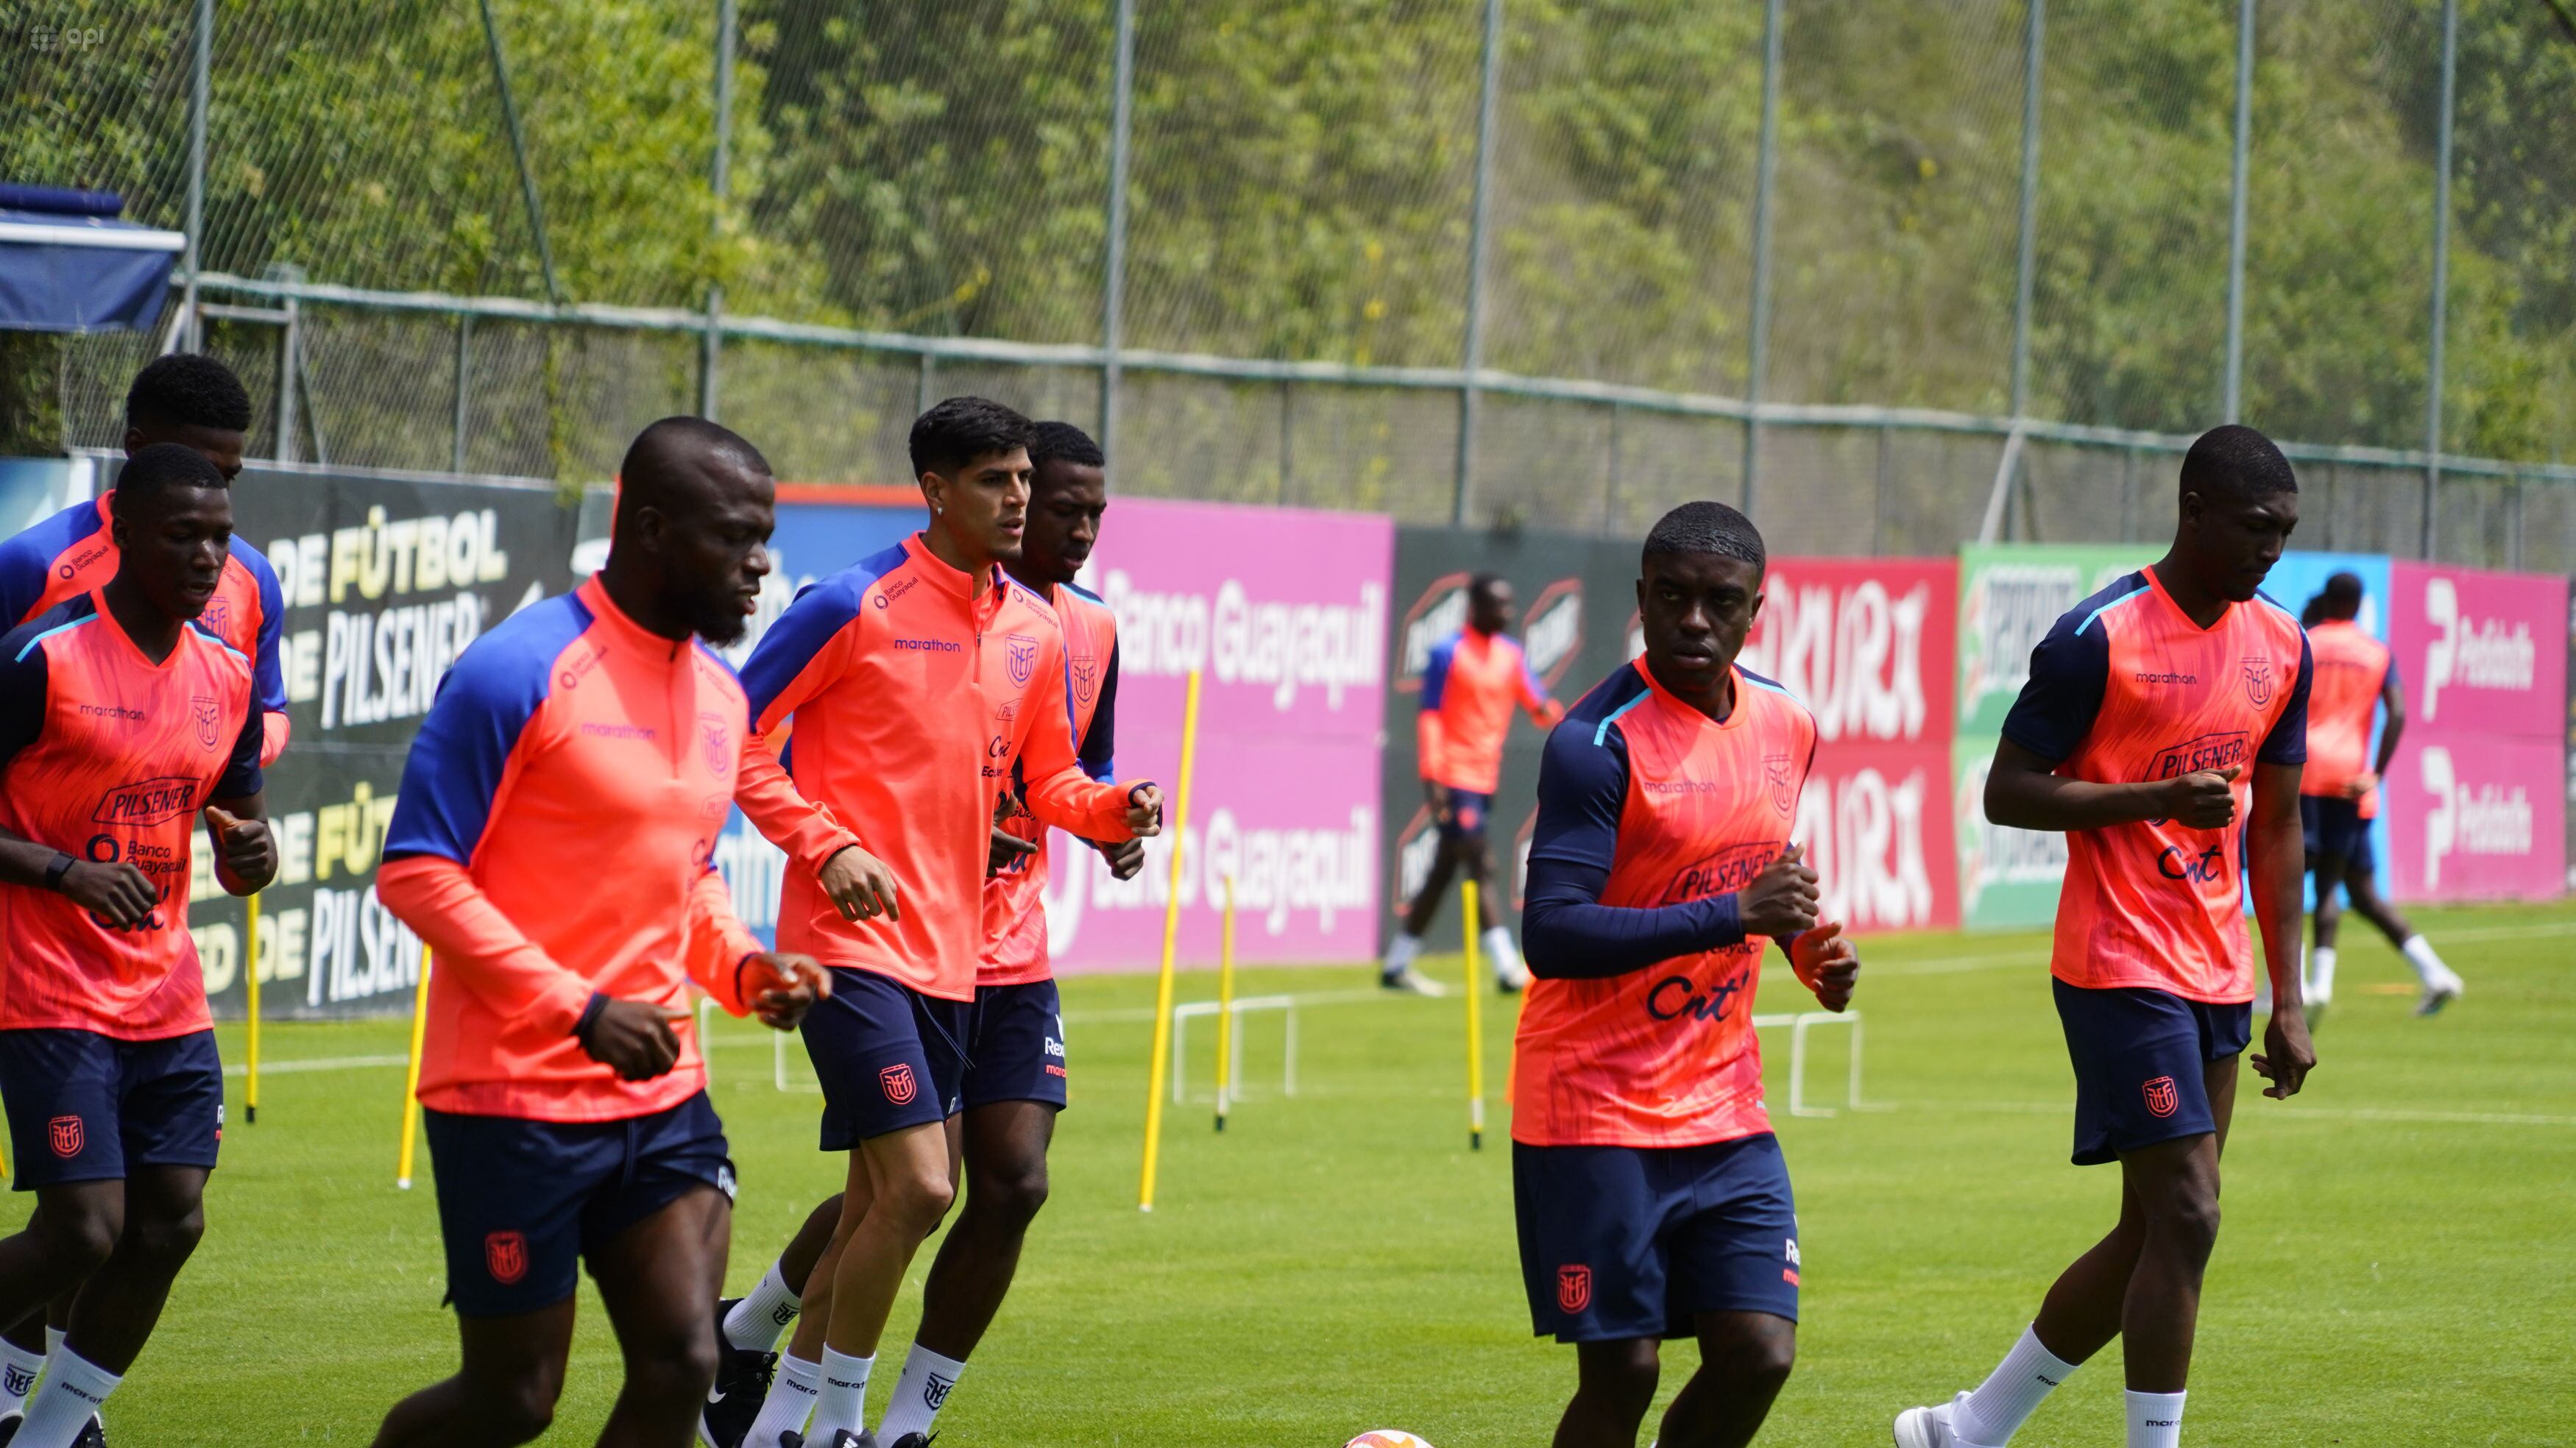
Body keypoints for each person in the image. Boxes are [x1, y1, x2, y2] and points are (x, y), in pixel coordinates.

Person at [364, 418, 828, 1448]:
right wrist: (579, 1009)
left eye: (765, 538)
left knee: (685, 1360)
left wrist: (746, 970)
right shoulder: (516, 670)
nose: (760, 565)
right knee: (514, 1401)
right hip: (511, 1098)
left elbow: (688, 875)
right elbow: (417, 872)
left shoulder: (721, 695)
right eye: (735, 537)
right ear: (651, 529)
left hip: (662, 1094)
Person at [722, 397, 1161, 1448]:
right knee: (924, 1188)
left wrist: (1116, 811)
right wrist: (825, 844)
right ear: (935, 490)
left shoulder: (1037, 629)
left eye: (1023, 480)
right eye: (996, 482)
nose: (1020, 500)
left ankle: (777, 1418)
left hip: (958, 961)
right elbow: (729, 735)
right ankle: (842, 1424)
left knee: (885, 1202)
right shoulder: (851, 603)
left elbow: (1050, 780)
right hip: (846, 947)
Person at [1894, 425, 2320, 1448]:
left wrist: (2291, 997)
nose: (2271, 550)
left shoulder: (2283, 645)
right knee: (2191, 1214)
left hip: (2217, 970)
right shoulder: (2096, 637)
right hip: (2117, 965)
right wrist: (2152, 798)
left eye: (2285, 531)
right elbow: (2005, 793)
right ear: (2193, 512)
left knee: (2155, 1231)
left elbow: (2276, 827)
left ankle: (1967, 1429)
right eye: (2254, 528)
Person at [1513, 501, 1861, 1448]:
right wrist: (1734, 916)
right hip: (1593, 1108)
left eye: (1720, 602)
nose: (1693, 621)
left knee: (1759, 1352)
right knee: (1623, 1372)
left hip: (1724, 1107)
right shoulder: (1594, 744)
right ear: (1641, 598)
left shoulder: (1787, 722)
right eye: (1671, 598)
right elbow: (1550, 932)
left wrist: (1804, 948)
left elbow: (1760, 862)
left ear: (1756, 609)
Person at [0, 444, 278, 1448]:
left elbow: (242, 832)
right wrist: (61, 871)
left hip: (166, 996)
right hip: (46, 987)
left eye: (220, 538)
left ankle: (48, 1433)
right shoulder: (43, 657)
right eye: (182, 535)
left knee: (171, 1223)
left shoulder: (227, 675)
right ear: (122, 533)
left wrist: (254, 856)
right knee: (82, 1229)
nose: (207, 557)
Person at [0, 353, 289, 768]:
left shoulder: (253, 578)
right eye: (193, 469)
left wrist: (210, 755)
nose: (211, 489)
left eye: (226, 477)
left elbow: (270, 712)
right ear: (137, 448)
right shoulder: (33, 565)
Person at [1383, 574, 1566, 995]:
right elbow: (1430, 716)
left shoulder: (1510, 655)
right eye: (1497, 605)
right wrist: (1432, 777)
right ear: (1474, 607)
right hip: (1452, 776)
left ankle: (1396, 965)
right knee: (1482, 864)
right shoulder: (1447, 652)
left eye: (1509, 605)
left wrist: (1565, 722)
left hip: (1485, 779)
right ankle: (1506, 967)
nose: (1506, 613)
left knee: (1444, 871)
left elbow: (1538, 704)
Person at [2298, 572, 2460, 1018]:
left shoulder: (2305, 642)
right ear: (2358, 604)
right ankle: (2433, 974)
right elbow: (2399, 712)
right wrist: (2377, 774)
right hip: (2352, 779)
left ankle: (2304, 987)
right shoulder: (2376, 652)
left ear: (2325, 599)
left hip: (2304, 773)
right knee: (2348, 885)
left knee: (2295, 879)